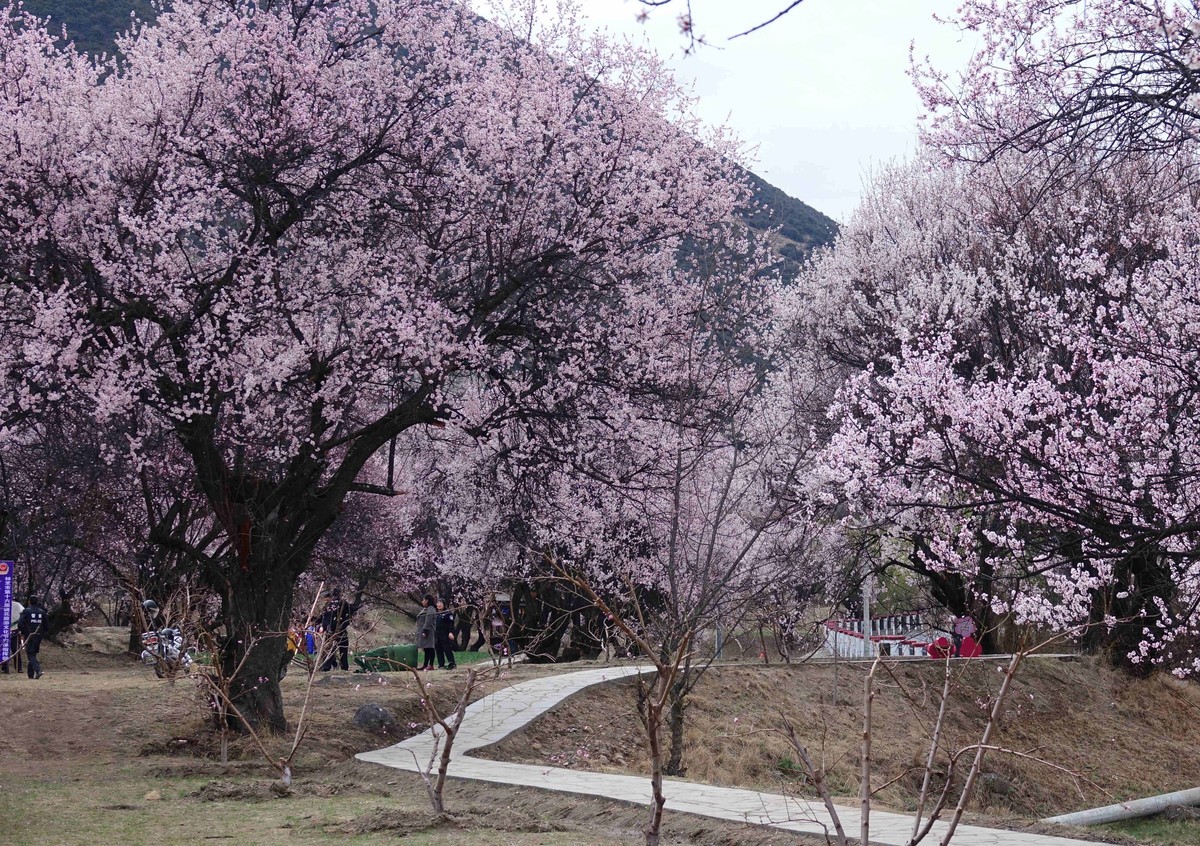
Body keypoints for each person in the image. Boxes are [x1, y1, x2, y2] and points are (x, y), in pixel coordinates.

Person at [319, 588, 355, 671]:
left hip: (330, 630)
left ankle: (327, 666)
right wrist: (344, 625)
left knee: (329, 649)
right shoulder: (344, 603)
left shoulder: (328, 605)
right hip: (341, 630)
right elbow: (348, 616)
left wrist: (325, 627)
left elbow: (324, 618)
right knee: (343, 649)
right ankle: (344, 666)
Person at [17, 596, 47, 679]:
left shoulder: (26, 611)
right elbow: (47, 625)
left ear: (29, 601)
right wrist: (43, 633)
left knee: (30, 654)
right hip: (39, 635)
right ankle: (31, 675)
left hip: (29, 635)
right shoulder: (42, 612)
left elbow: (20, 623)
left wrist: (22, 631)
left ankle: (38, 670)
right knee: (33, 653)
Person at [2, 598, 23, 675]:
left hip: (6, 631)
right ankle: (18, 668)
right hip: (14, 630)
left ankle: (5, 668)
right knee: (15, 650)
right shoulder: (18, 605)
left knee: (5, 650)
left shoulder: (15, 605)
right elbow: (23, 615)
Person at [415, 594, 436, 670]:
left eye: (423, 600)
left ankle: (431, 664)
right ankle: (425, 664)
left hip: (428, 631)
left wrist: (425, 631)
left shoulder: (431, 610)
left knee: (430, 647)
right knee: (426, 648)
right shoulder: (425, 609)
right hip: (423, 630)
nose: (422, 601)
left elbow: (428, 621)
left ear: (427, 601)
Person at [434, 599, 457, 670]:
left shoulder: (448, 614)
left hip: (445, 635)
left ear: (444, 604)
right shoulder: (436, 614)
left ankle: (452, 663)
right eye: (438, 603)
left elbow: (451, 624)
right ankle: (441, 664)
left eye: (440, 603)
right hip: (437, 635)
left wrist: (450, 632)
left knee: (447, 649)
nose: (439, 605)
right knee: (438, 650)